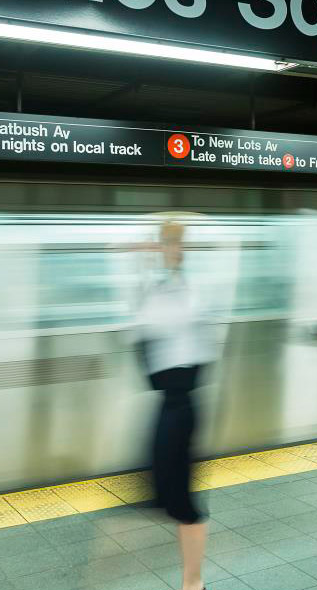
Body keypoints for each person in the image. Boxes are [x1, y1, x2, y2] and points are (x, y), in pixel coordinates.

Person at [132, 220, 212, 590]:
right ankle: (192, 582)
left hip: (182, 405)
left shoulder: (186, 290)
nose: (170, 249)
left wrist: (148, 268)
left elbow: (157, 324)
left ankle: (193, 583)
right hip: (169, 403)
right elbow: (146, 327)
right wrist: (147, 270)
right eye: (167, 243)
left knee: (182, 500)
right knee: (169, 494)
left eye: (174, 243)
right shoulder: (165, 287)